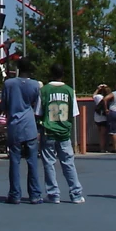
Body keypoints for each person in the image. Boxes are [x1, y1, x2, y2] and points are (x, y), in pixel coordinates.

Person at [39, 63, 84, 204]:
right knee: (68, 163)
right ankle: (76, 193)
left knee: (49, 163)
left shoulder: (44, 90)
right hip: (64, 132)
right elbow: (74, 113)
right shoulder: (70, 91)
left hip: (49, 131)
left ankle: (53, 194)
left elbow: (38, 112)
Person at [1, 57, 42, 205]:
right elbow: (37, 105)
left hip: (14, 124)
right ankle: (35, 194)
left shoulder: (9, 84)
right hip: (29, 124)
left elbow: (4, 105)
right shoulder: (35, 85)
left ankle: (15, 194)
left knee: (14, 160)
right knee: (32, 162)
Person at [92, 85, 110, 152]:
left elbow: (93, 95)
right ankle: (103, 148)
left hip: (97, 117)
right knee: (103, 134)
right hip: (104, 118)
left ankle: (102, 147)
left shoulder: (98, 97)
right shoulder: (108, 98)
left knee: (100, 134)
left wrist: (98, 89)